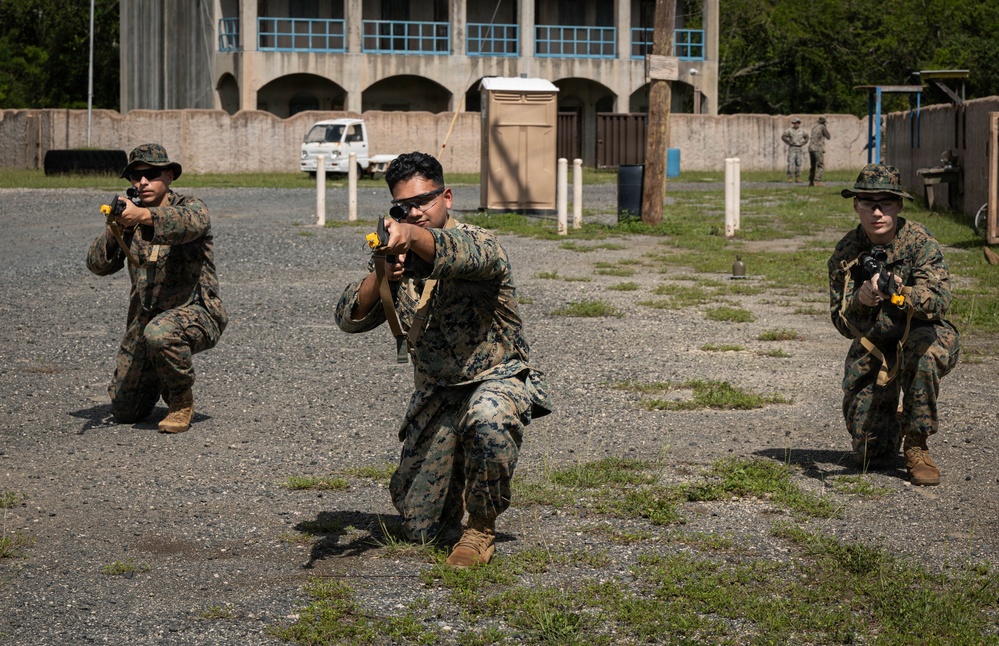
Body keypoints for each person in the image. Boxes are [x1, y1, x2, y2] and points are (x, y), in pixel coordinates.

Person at [334, 152, 551, 567]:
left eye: (423, 202)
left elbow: (454, 252)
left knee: (488, 417)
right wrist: (382, 274)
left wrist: (410, 237)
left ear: (447, 197)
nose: (414, 213)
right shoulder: (398, 256)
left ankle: (481, 529)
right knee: (420, 529)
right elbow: (348, 319)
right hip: (438, 395)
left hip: (496, 379)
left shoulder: (480, 244)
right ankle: (450, 488)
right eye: (403, 207)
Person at [827, 164, 959, 486]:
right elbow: (842, 323)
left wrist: (902, 292)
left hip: (922, 332)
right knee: (873, 457)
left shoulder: (920, 243)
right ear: (855, 205)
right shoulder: (845, 254)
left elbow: (939, 300)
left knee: (923, 357)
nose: (877, 212)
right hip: (875, 342)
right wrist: (863, 300)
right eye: (868, 202)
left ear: (898, 205)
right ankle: (894, 424)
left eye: (885, 202)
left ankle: (917, 444)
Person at [86, 144, 227, 434]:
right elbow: (97, 265)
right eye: (136, 176)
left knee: (161, 334)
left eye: (151, 174)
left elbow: (190, 223)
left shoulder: (190, 206)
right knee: (126, 411)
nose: (142, 182)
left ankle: (180, 401)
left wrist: (143, 217)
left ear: (170, 175)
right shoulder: (130, 216)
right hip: (146, 320)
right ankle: (162, 371)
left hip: (197, 311)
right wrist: (118, 229)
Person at [781, 117, 809, 183]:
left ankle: (797, 177)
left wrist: (803, 143)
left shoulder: (802, 131)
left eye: (798, 123)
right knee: (791, 163)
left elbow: (807, 137)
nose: (796, 124)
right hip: (792, 147)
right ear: (793, 123)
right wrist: (789, 142)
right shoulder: (789, 130)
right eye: (795, 123)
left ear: (799, 123)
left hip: (799, 148)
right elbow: (783, 136)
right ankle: (790, 177)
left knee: (798, 163)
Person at [808, 116, 831, 187]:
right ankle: (817, 181)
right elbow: (828, 136)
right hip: (818, 148)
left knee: (813, 166)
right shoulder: (822, 127)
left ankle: (811, 182)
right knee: (820, 165)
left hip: (811, 148)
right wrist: (825, 128)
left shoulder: (814, 128)